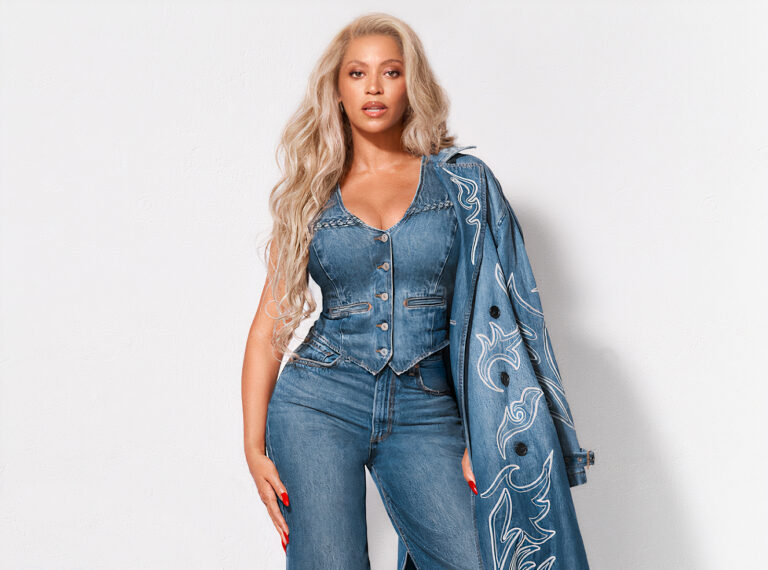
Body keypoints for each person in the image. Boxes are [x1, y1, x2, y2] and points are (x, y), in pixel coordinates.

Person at [242, 12, 593, 570]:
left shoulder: (463, 184)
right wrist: (252, 445)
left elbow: (506, 316)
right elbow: (269, 326)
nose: (374, 87)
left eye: (391, 72)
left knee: (482, 557)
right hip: (317, 403)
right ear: (337, 90)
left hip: (425, 407)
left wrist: (489, 432)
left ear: (412, 85)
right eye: (357, 73)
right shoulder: (311, 193)